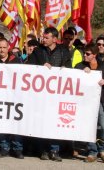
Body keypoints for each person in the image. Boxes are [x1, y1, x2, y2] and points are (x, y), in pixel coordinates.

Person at [27, 27, 71, 162]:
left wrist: (65, 70)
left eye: (46, 38)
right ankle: (43, 150)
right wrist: (41, 67)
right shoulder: (37, 51)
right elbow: (29, 68)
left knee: (55, 122)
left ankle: (54, 149)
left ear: (54, 39)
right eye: (43, 37)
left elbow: (70, 70)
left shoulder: (64, 51)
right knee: (42, 122)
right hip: (41, 95)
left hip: (57, 95)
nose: (43, 40)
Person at [75, 43, 104, 163]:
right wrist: (82, 71)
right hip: (87, 103)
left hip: (102, 102)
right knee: (90, 127)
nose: (85, 56)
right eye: (84, 53)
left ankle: (102, 150)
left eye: (88, 54)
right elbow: (72, 76)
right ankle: (92, 152)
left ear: (94, 55)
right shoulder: (80, 65)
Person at [0, 38, 24, 159]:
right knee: (1, 123)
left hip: (14, 97)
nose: (2, 50)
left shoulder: (16, 60)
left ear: (8, 47)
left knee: (15, 124)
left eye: (4, 47)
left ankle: (17, 148)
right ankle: (4, 147)